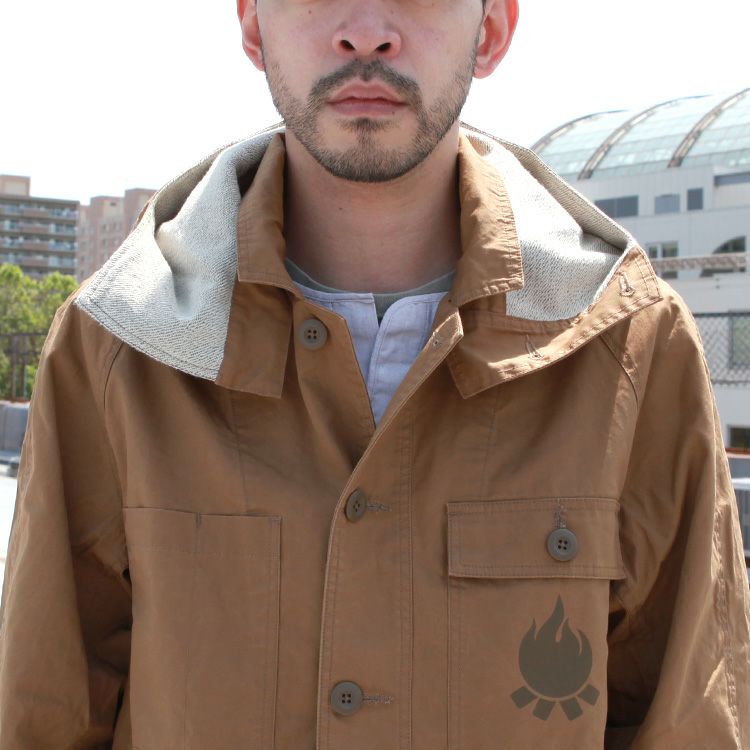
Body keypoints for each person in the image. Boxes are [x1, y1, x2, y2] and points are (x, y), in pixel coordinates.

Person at [1, 0, 748, 747]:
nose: (365, 29)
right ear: (254, 25)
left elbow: (690, 724)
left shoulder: (630, 348)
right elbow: (43, 717)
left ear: (491, 29)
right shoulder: (118, 350)